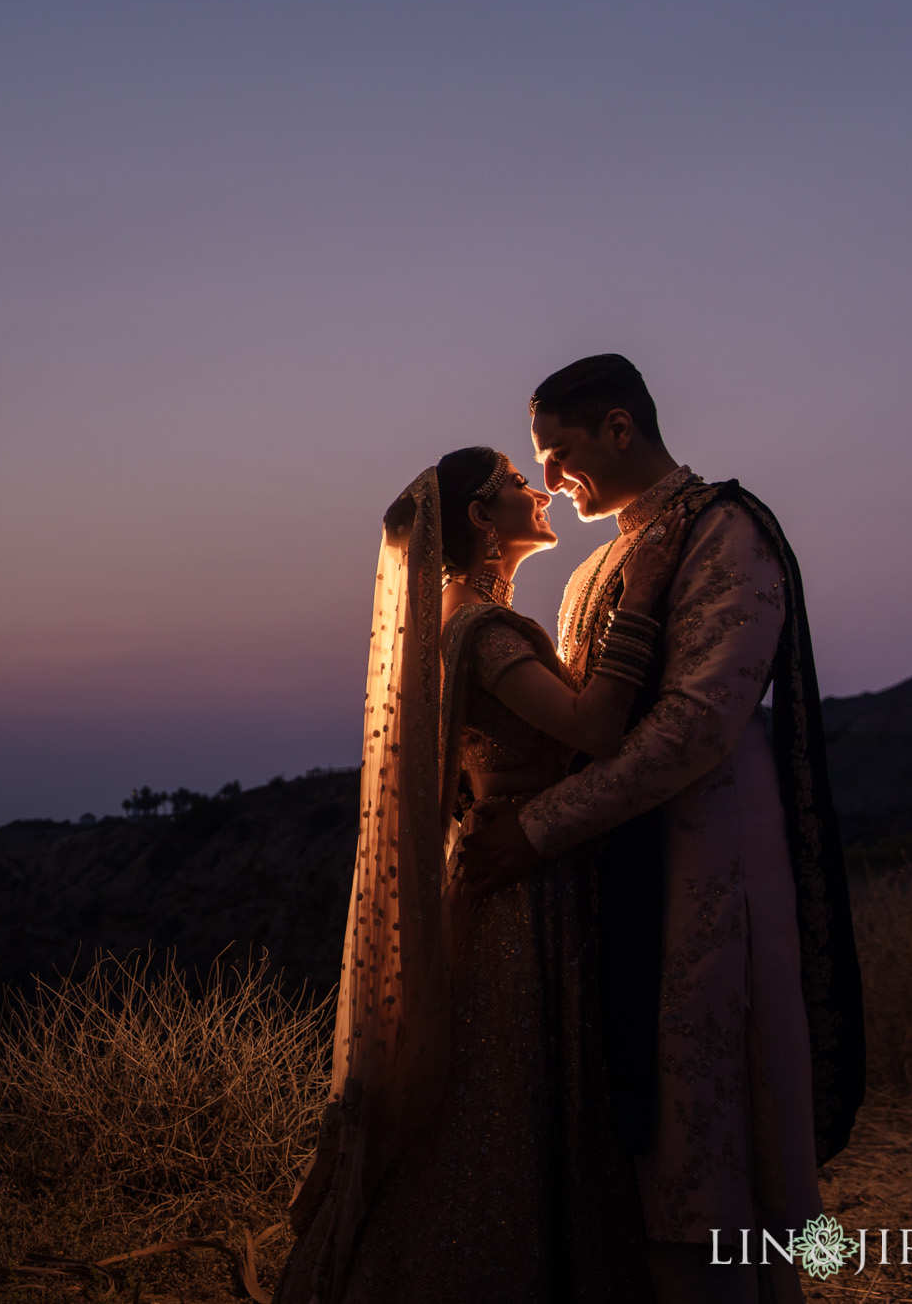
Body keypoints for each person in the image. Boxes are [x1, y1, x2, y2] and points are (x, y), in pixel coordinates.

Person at [459, 353, 865, 1304]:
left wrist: (539, 828)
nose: (552, 483)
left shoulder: (728, 531)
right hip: (617, 888)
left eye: (557, 455)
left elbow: (697, 727)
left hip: (715, 875)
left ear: (618, 427)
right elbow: (578, 736)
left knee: (720, 1153)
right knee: (647, 1173)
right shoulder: (593, 569)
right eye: (537, 467)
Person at [276, 445, 680, 1303]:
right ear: (479, 517)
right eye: (514, 483)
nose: (538, 492)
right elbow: (597, 728)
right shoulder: (485, 629)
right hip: (526, 888)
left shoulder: (461, 619)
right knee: (508, 1098)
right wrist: (642, 601)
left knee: (503, 1090)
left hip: (513, 864)